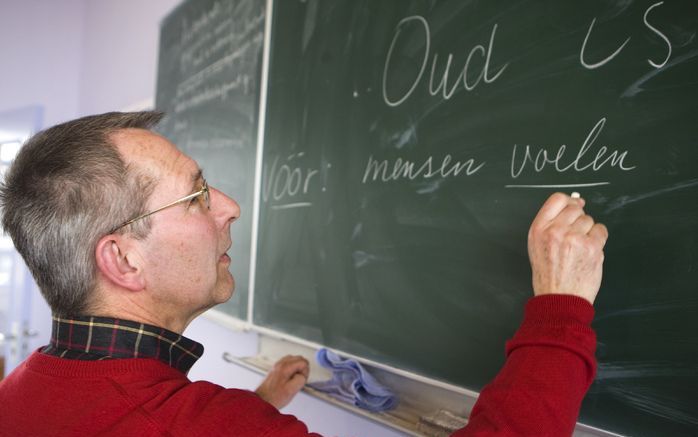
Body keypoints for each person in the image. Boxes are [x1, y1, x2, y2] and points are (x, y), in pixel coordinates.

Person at [0, 111, 607, 436]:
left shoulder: (23, 390)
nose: (229, 206)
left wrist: (257, 407)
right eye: (197, 195)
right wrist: (560, 312)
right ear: (124, 259)